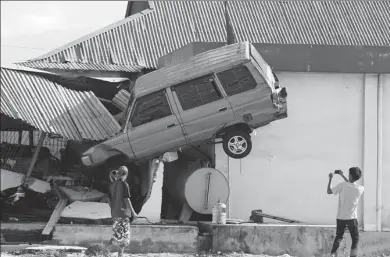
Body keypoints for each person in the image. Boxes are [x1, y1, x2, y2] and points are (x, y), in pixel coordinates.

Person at [327, 167, 364, 257]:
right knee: (355, 239)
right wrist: (342, 175)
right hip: (352, 219)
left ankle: (332, 254)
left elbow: (329, 191)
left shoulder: (342, 185)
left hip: (341, 217)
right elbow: (350, 184)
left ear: (350, 175)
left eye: (348, 174)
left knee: (339, 237)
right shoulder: (360, 188)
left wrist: (330, 178)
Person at [107, 166, 138, 257]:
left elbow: (108, 199)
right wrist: (133, 212)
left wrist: (113, 208)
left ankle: (109, 250)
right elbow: (126, 200)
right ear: (126, 175)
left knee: (118, 234)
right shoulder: (124, 185)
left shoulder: (111, 186)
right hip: (123, 214)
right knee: (124, 236)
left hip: (115, 214)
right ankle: (115, 252)